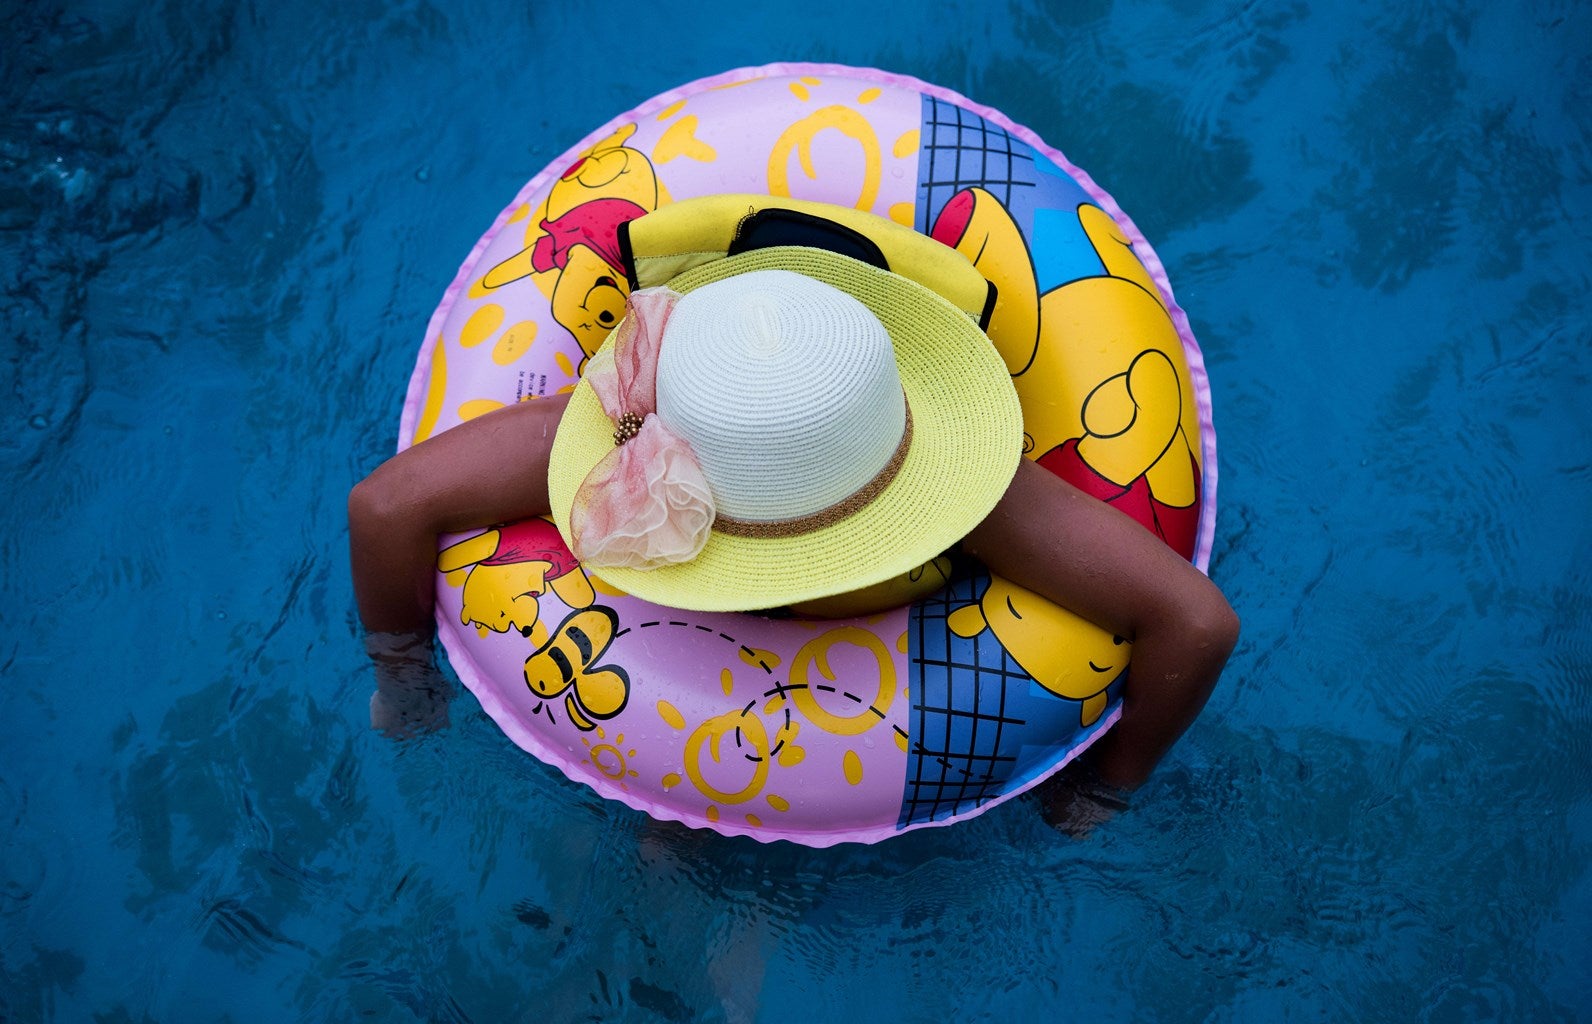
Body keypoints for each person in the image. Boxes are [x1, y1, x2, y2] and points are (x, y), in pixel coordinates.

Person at [349, 247, 1238, 820]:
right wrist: (406, 674)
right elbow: (384, 511)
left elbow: (1197, 626)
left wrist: (1100, 784)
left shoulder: (986, 496)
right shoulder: (620, 429)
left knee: (693, 844)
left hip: (834, 719)